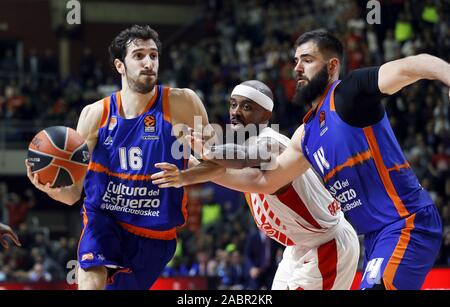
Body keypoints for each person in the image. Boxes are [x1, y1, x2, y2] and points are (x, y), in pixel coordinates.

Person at [186, 31, 449, 290]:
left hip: (406, 222)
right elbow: (264, 180)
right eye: (296, 61)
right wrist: (201, 170)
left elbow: (413, 65)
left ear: (332, 65)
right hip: (375, 235)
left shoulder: (350, 93)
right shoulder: (306, 134)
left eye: (307, 60)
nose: (298, 68)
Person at [25, 25, 218, 290]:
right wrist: (49, 189)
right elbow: (72, 194)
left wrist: (185, 176)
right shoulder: (95, 114)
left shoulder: (183, 103)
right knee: (91, 267)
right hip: (105, 217)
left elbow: (216, 166)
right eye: (139, 55)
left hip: (156, 233)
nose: (148, 62)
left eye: (153, 55)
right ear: (120, 65)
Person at [152, 80, 360, 290]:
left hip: (328, 245)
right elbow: (227, 172)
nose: (235, 112)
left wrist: (206, 151)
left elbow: (243, 158)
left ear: (266, 115)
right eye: (233, 104)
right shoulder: (238, 148)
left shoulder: (273, 142)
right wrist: (185, 168)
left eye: (246, 107)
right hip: (299, 247)